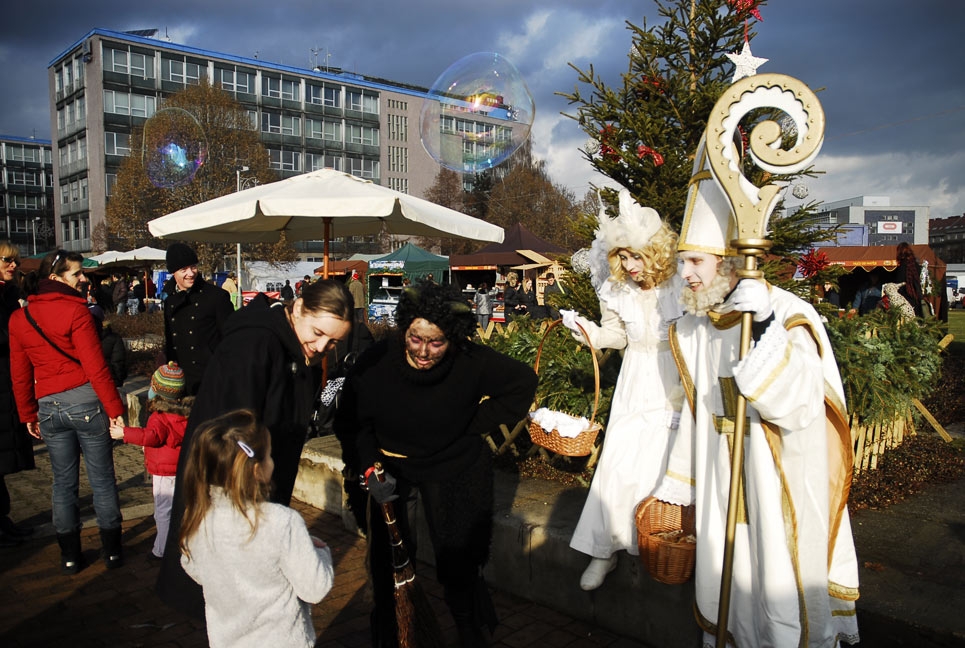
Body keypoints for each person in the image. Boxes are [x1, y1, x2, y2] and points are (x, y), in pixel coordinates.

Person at [654, 146, 859, 646]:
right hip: (722, 480)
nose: (688, 275)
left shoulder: (785, 313)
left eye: (696, 261)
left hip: (777, 477)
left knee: (776, 578)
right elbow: (700, 411)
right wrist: (679, 485)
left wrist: (764, 323)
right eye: (684, 263)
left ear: (730, 262)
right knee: (729, 578)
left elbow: (801, 403)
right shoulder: (697, 325)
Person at [334, 280, 538, 647]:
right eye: (416, 338)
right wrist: (368, 465)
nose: (424, 351)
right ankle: (392, 631)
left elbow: (522, 382)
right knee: (388, 560)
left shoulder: (470, 360)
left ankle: (467, 627)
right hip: (390, 468)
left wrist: (470, 425)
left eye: (436, 342)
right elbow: (352, 421)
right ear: (405, 329)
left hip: (452, 467)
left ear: (453, 338)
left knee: (458, 557)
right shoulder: (376, 361)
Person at [157, 278, 352, 618]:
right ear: (299, 308)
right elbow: (230, 432)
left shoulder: (288, 344)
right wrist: (251, 506)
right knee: (231, 600)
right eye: (319, 333)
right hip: (228, 490)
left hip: (254, 487)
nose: (323, 347)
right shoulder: (255, 343)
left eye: (334, 342)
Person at [560, 188, 683, 590]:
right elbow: (614, 336)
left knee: (669, 463)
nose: (629, 265)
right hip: (636, 377)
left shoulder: (680, 286)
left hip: (676, 378)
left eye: (636, 255)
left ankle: (665, 545)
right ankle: (603, 549)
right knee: (619, 462)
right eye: (623, 256)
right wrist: (585, 330)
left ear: (656, 252)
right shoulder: (616, 291)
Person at [9, 249, 126, 573]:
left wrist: (27, 413)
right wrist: (115, 408)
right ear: (55, 278)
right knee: (102, 480)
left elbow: (20, 372)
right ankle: (112, 553)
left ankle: (70, 556)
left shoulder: (20, 317)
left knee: (62, 483)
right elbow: (96, 367)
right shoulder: (77, 314)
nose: (84, 278)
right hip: (87, 403)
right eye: (77, 273)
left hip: (48, 407)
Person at [179, 409, 334, 648]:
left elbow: (192, 565)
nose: (273, 461)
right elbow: (315, 588)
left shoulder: (198, 518)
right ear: (256, 470)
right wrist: (320, 552)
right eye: (269, 455)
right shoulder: (282, 523)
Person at [110, 362, 191, 560]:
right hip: (182, 468)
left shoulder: (159, 416)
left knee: (163, 511)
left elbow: (151, 436)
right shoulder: (186, 412)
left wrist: (124, 433)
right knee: (184, 507)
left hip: (163, 471)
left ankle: (161, 549)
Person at [162, 243, 234, 395]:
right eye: (184, 269)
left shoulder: (216, 297)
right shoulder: (169, 300)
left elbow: (230, 339)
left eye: (193, 267)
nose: (191, 273)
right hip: (179, 380)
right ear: (173, 272)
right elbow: (170, 341)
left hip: (211, 379)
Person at [0, 243, 35, 547]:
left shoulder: (10, 293)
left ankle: (4, 519)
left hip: (8, 383)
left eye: (15, 261)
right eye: (7, 261)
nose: (13, 266)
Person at [89, 304, 127, 387]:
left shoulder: (83, 337)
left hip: (87, 381)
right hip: (109, 379)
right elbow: (118, 361)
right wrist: (119, 379)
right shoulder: (114, 338)